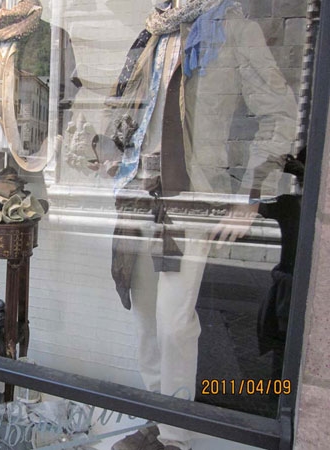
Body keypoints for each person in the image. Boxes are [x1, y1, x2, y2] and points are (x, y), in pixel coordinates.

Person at [106, 1, 297, 449]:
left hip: (191, 198)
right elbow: (125, 109)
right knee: (145, 318)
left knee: (174, 322)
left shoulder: (232, 28)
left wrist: (250, 193)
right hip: (137, 195)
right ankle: (156, 419)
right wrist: (108, 151)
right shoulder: (152, 33)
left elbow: (279, 114)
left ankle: (176, 436)